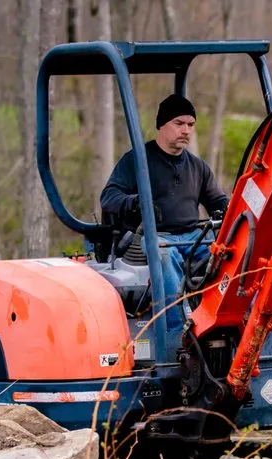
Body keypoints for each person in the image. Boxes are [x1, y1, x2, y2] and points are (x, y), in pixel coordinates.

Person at [101, 93, 229, 332]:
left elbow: (217, 201)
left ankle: (245, 315)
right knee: (164, 254)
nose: (186, 130)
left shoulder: (197, 167)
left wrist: (230, 209)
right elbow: (109, 197)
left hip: (193, 237)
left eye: (191, 125)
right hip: (154, 238)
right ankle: (176, 330)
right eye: (179, 124)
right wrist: (136, 203)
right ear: (162, 125)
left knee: (229, 251)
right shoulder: (137, 161)